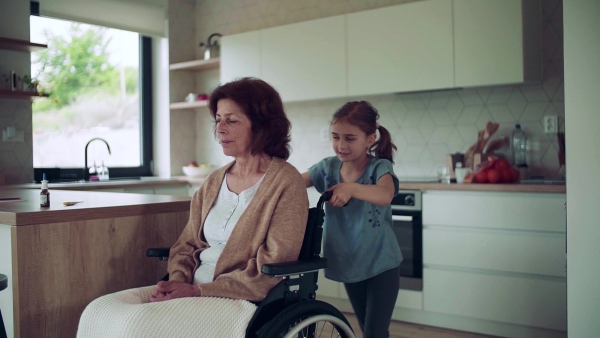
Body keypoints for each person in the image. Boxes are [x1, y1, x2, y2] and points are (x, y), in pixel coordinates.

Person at [77, 77, 309, 337]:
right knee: (99, 310)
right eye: (218, 119)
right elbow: (187, 245)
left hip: (239, 298)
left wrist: (198, 290)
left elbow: (273, 265)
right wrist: (176, 282)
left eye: (231, 120)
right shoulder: (213, 181)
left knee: (138, 325)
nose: (220, 129)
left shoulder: (286, 182)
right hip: (191, 288)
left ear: (262, 126)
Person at [301, 101, 401, 338]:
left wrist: (352, 188)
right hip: (349, 261)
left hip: (381, 263)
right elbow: (292, 182)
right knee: (367, 330)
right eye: (335, 137)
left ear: (370, 138)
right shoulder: (326, 167)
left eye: (349, 138)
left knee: (375, 333)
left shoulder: (380, 167)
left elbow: (385, 194)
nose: (341, 145)